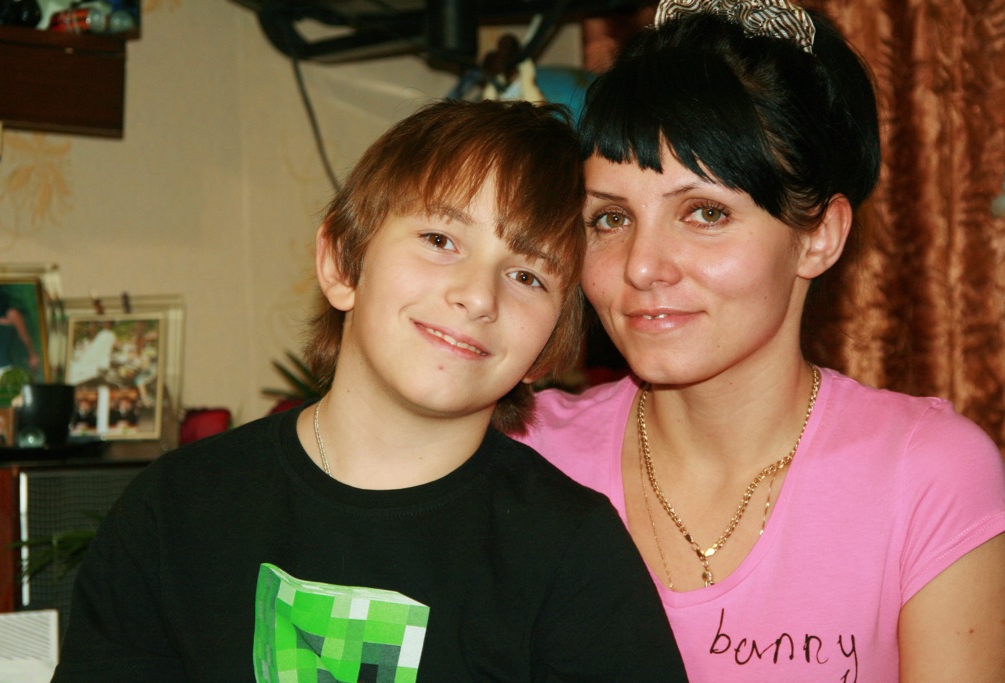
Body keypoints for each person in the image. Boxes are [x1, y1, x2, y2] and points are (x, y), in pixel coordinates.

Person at [52, 100, 687, 682]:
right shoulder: (175, 510)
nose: (477, 295)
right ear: (342, 263)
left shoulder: (572, 553)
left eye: (527, 275)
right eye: (440, 241)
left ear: (547, 351)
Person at [517, 2, 1005, 681]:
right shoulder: (526, 454)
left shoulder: (926, 474)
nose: (642, 267)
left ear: (819, 236)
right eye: (610, 218)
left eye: (704, 212)